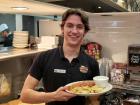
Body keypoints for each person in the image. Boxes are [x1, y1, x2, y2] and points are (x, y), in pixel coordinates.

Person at [20, 8, 99, 105]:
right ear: (62, 29)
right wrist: (53, 96)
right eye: (70, 26)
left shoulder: (92, 63)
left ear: (85, 31)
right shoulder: (44, 57)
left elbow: (94, 100)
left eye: (79, 27)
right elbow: (25, 95)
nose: (74, 31)